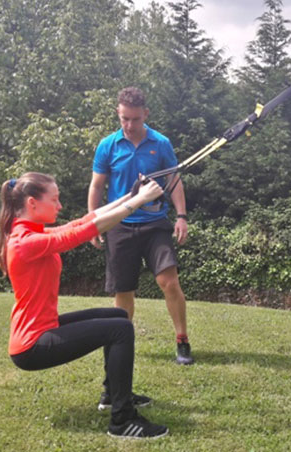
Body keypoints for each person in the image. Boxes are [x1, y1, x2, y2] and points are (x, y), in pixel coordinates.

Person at [0, 171, 168, 439]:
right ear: (32, 203)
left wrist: (131, 195)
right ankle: (122, 421)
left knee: (118, 316)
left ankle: (113, 395)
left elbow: (83, 222)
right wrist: (138, 202)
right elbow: (84, 232)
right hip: (31, 346)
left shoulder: (30, 232)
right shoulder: (24, 242)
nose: (60, 205)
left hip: (44, 328)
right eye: (54, 199)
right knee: (120, 330)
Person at [88, 86, 194, 365]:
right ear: (118, 113)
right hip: (119, 224)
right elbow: (97, 186)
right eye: (124, 118)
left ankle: (182, 340)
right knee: (123, 290)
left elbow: (174, 181)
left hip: (155, 223)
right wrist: (92, 222)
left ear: (145, 114)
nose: (129, 125)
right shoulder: (108, 145)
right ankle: (123, 345)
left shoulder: (161, 143)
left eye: (135, 119)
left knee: (168, 281)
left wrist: (181, 216)